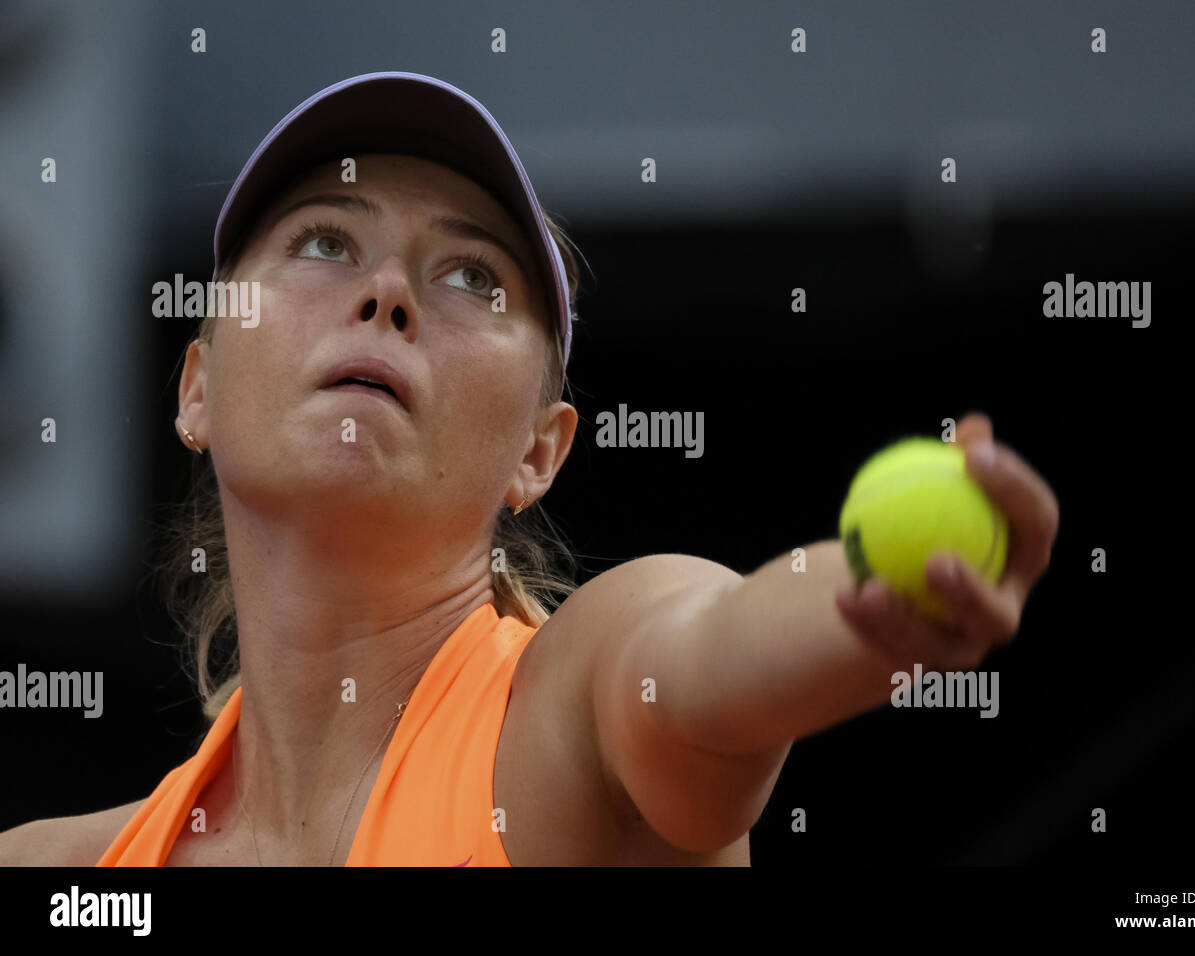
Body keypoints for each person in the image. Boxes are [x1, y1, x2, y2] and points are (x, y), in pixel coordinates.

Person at [0, 72, 1059, 867]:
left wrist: (866, 600)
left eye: (470, 274)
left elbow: (704, 652)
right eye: (324, 242)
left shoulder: (572, 723)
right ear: (197, 386)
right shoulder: (59, 872)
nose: (387, 294)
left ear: (539, 450)